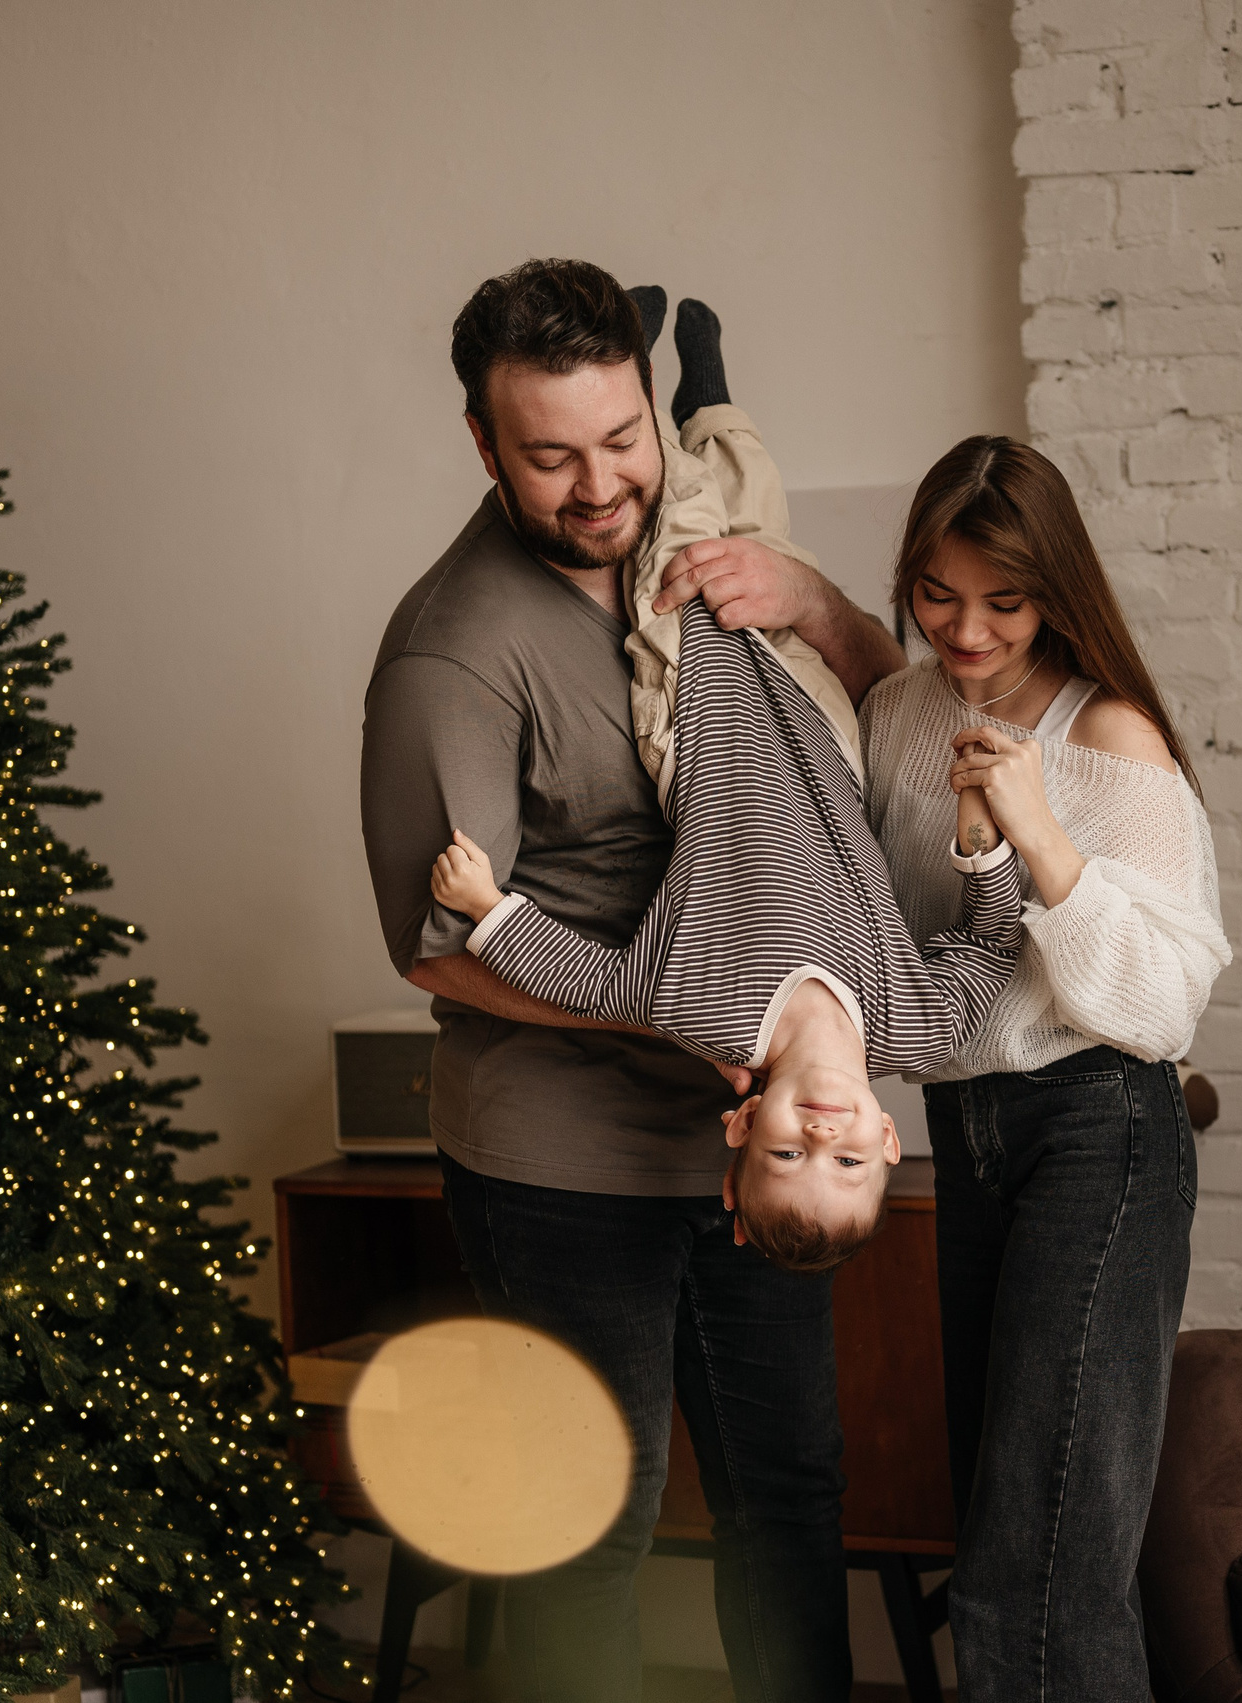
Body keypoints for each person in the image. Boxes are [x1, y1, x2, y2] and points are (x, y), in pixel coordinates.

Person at [358, 258, 903, 1703]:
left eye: (623, 441)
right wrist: (680, 1008)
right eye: (551, 457)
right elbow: (435, 944)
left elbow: (887, 722)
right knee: (583, 1522)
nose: (601, 487)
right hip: (564, 1162)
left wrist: (817, 599)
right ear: (484, 444)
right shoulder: (452, 651)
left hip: (751, 1154)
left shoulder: (700, 537)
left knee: (789, 1496)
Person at [425, 387, 1022, 1266]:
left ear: (743, 1121)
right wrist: (982, 844)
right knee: (767, 549)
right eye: (848, 1157)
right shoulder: (917, 1027)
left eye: (786, 1152)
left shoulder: (703, 1011)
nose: (822, 1134)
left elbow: (590, 981)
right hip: (821, 734)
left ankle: (648, 416)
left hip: (700, 716)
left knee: (688, 549)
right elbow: (994, 944)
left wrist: (489, 911)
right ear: (889, 1140)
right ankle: (712, 396)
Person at [860, 436, 1233, 1700]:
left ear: (1054, 591)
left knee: (1044, 1570)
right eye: (936, 593)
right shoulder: (902, 713)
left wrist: (1042, 839)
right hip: (962, 1129)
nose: (966, 631)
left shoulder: (1109, 731)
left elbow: (1166, 997)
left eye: (1003, 602)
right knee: (1006, 1543)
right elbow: (886, 927)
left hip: (1099, 1130)